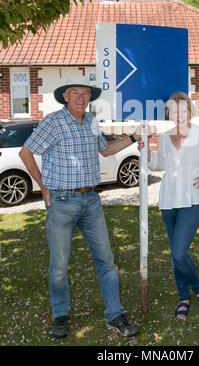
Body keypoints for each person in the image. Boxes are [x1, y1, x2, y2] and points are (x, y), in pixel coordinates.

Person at [19, 75, 140, 338]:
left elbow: (105, 151)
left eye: (86, 94)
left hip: (91, 201)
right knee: (60, 264)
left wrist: (132, 138)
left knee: (107, 260)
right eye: (76, 93)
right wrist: (42, 186)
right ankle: (60, 314)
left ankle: (115, 315)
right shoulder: (53, 122)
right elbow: (26, 152)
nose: (82, 98)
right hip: (61, 201)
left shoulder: (91, 122)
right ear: (66, 96)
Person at [139, 92, 199, 320]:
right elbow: (159, 165)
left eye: (183, 110)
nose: (179, 115)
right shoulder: (164, 138)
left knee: (180, 253)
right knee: (175, 255)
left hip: (193, 199)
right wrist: (145, 152)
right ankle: (183, 298)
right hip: (168, 200)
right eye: (174, 111)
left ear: (190, 112)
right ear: (169, 114)